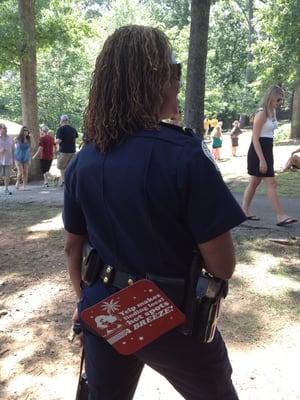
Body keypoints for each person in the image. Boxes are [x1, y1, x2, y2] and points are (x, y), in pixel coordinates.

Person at [63, 25, 246, 400]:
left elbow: (72, 249)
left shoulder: (84, 160)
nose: (177, 82)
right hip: (171, 316)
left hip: (103, 308)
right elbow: (223, 266)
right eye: (173, 72)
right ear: (152, 80)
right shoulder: (186, 155)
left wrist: (86, 302)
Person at [242, 85, 298, 226]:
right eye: (278, 99)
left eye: (281, 100)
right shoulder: (261, 113)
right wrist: (261, 160)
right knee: (271, 183)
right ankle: (280, 216)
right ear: (272, 97)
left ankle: (243, 211)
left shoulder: (272, 112)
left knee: (254, 182)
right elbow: (255, 138)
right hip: (258, 150)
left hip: (268, 148)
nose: (280, 103)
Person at [55, 114, 78, 186]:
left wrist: (54, 142)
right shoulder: (73, 129)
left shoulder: (60, 129)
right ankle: (70, 180)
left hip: (64, 151)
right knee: (70, 167)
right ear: (67, 120)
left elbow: (59, 141)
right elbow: (75, 138)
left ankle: (64, 181)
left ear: (61, 121)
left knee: (61, 166)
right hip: (73, 151)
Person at [0, 123, 14, 195]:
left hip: (8, 160)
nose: (5, 129)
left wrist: (14, 160)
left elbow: (13, 149)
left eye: (5, 128)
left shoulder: (10, 138)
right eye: (3, 128)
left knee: (7, 176)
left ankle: (6, 189)